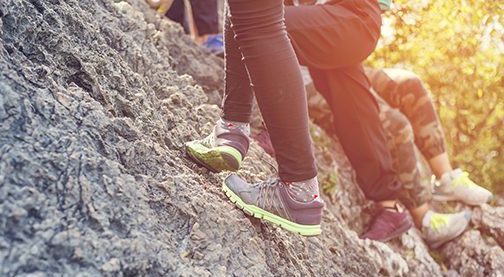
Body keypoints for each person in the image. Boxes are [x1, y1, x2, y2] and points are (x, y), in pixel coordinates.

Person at [186, 0, 407, 236]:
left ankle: (241, 135)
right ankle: (389, 204)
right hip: (352, 19)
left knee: (256, 21)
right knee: (353, 105)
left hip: (351, 13)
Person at [265, 66, 492, 247]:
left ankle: (447, 179)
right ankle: (424, 218)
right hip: (305, 79)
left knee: (409, 83)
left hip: (337, 65)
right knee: (394, 125)